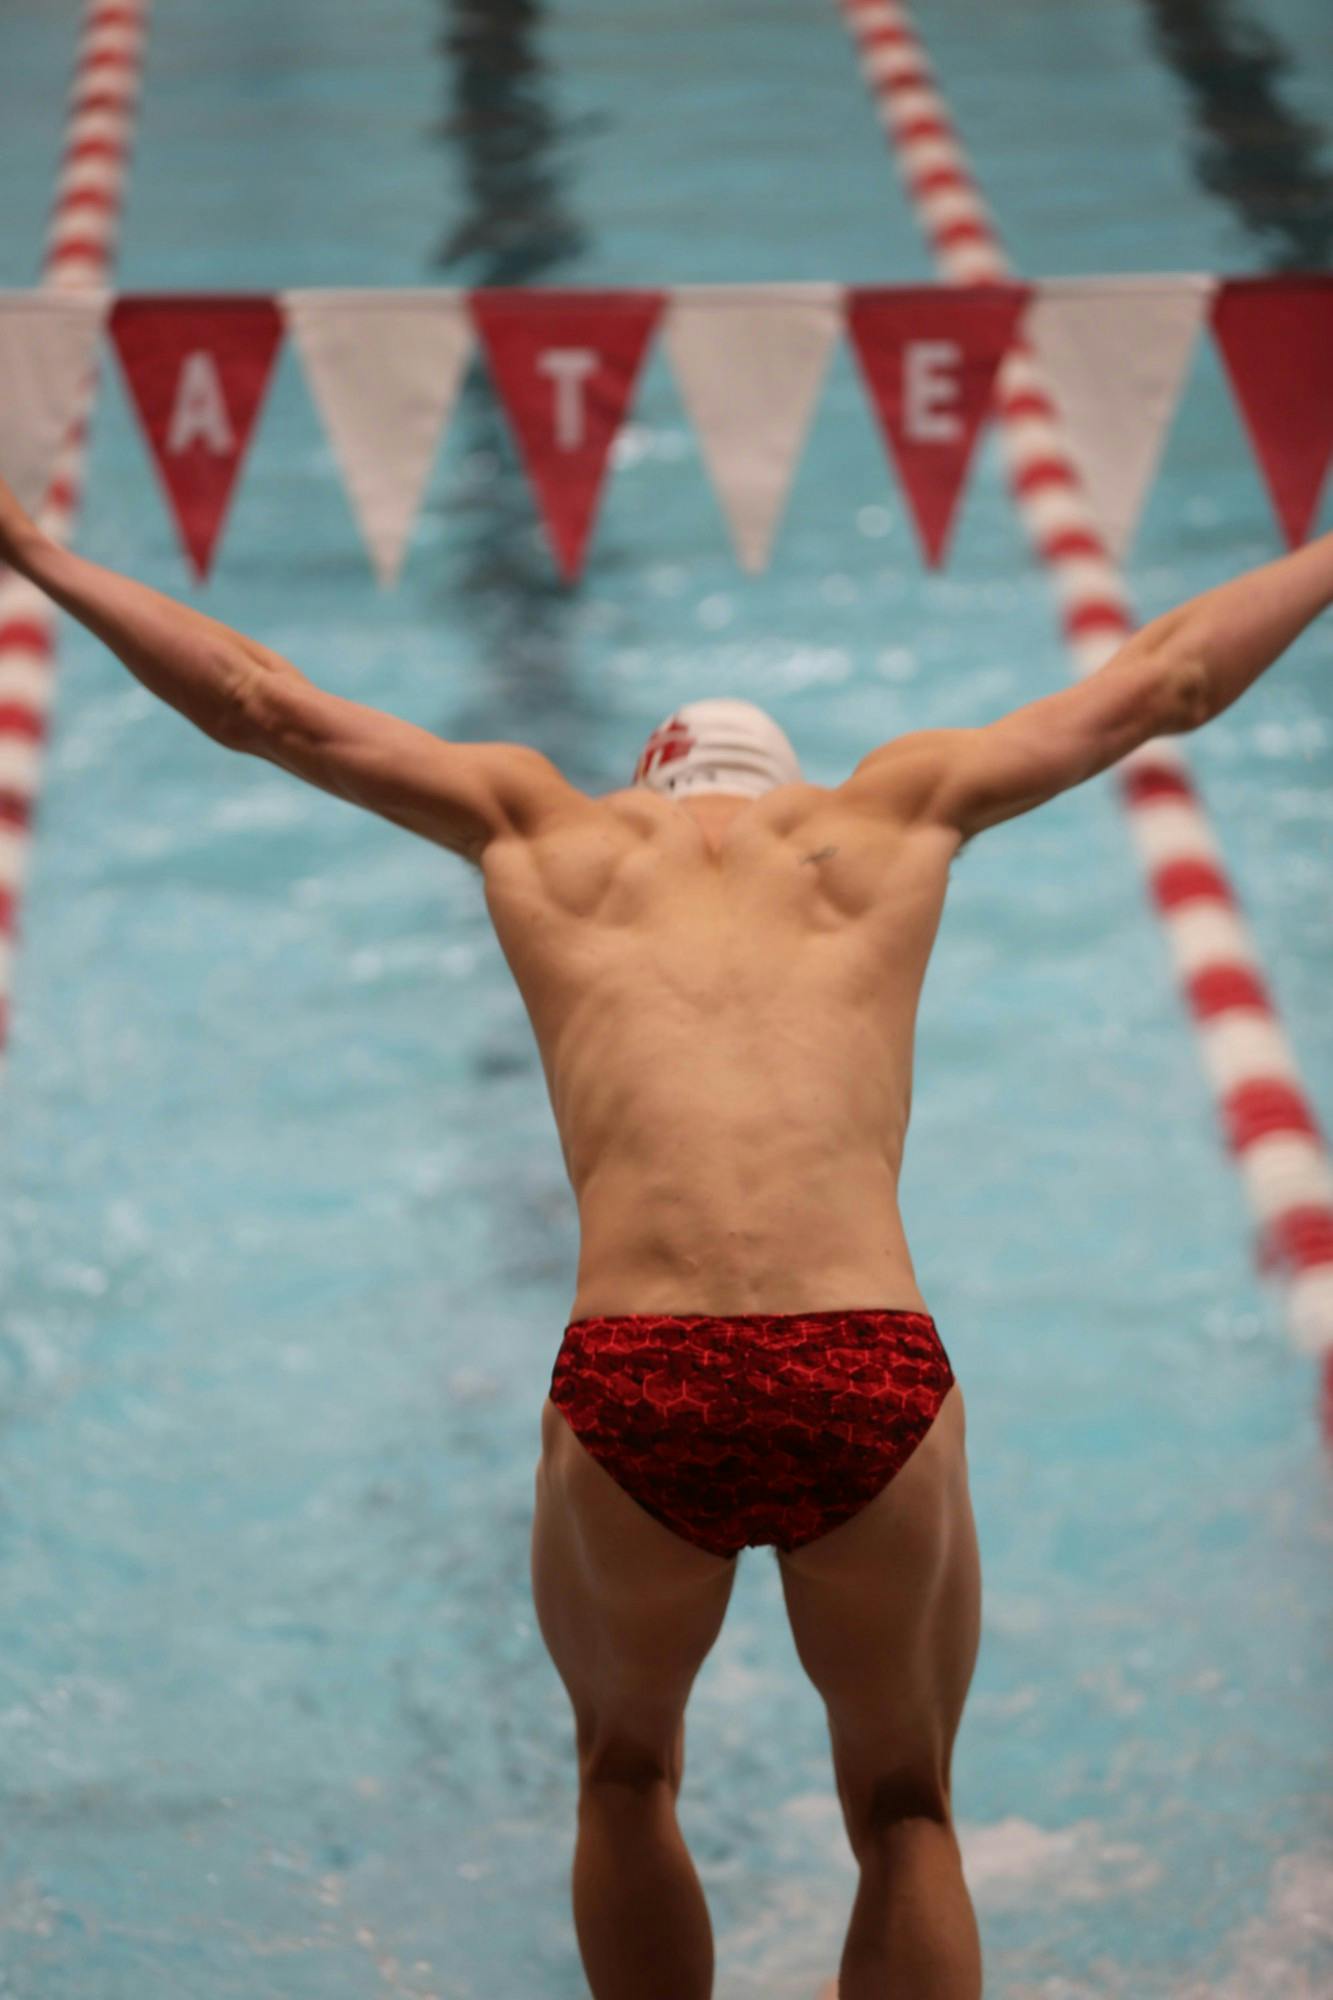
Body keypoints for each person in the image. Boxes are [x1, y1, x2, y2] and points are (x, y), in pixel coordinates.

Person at [1, 465, 1329, 2000]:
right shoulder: (887, 811)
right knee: (904, 1809)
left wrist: (33, 548)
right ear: (783, 785)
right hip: (866, 1366)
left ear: (650, 781)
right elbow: (1166, 676)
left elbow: (255, 699)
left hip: (637, 1372)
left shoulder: (543, 829)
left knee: (624, 1776)